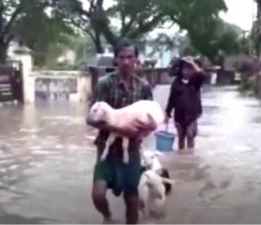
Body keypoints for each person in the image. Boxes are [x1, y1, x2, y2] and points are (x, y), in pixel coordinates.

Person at [86, 39, 156, 224]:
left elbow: (152, 120)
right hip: (106, 148)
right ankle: (107, 216)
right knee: (98, 195)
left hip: (131, 150)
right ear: (116, 59)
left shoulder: (144, 87)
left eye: (130, 57)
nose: (126, 61)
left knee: (132, 199)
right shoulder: (104, 84)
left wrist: (145, 130)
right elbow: (90, 119)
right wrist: (119, 128)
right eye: (122, 57)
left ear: (136, 59)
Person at [164, 57, 207, 152]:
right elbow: (171, 99)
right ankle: (182, 156)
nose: (187, 71)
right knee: (181, 137)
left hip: (192, 116)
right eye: (185, 68)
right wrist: (167, 113)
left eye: (189, 68)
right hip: (179, 116)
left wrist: (193, 64)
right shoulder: (176, 83)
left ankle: (190, 155)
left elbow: (203, 75)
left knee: (190, 135)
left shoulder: (195, 81)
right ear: (181, 70)